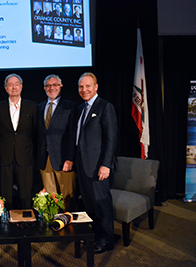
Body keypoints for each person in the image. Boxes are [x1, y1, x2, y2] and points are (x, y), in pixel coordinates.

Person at [75, 72, 117, 254]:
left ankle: (107, 240)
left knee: (101, 204)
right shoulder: (80, 108)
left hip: (99, 166)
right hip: (83, 165)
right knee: (89, 204)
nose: (84, 90)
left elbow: (111, 138)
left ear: (96, 86)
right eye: (81, 87)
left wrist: (105, 165)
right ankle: (96, 236)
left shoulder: (105, 107)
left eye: (88, 86)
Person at [0, 74, 37, 209]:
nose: (14, 87)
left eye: (16, 84)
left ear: (21, 87)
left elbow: (36, 132)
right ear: (6, 88)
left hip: (25, 156)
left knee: (25, 194)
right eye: (10, 85)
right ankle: (7, 222)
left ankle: (27, 221)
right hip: (5, 157)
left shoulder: (32, 107)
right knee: (5, 195)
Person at [37, 75, 76, 211]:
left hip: (63, 159)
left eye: (55, 84)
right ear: (44, 88)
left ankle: (67, 226)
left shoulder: (70, 107)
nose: (51, 88)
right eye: (48, 85)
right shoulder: (40, 107)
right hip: (44, 159)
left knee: (67, 198)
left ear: (61, 86)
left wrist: (70, 158)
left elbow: (72, 135)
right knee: (50, 198)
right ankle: (53, 225)